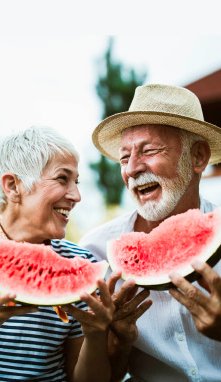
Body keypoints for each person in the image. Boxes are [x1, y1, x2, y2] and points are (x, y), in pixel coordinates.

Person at [0, 125, 129, 382]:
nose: (76, 195)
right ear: (13, 186)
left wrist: (96, 333)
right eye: (62, 178)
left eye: (76, 182)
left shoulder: (82, 264)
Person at [80, 84, 221, 382]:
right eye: (123, 157)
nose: (131, 169)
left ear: (197, 157)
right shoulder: (97, 251)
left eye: (150, 150)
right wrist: (118, 343)